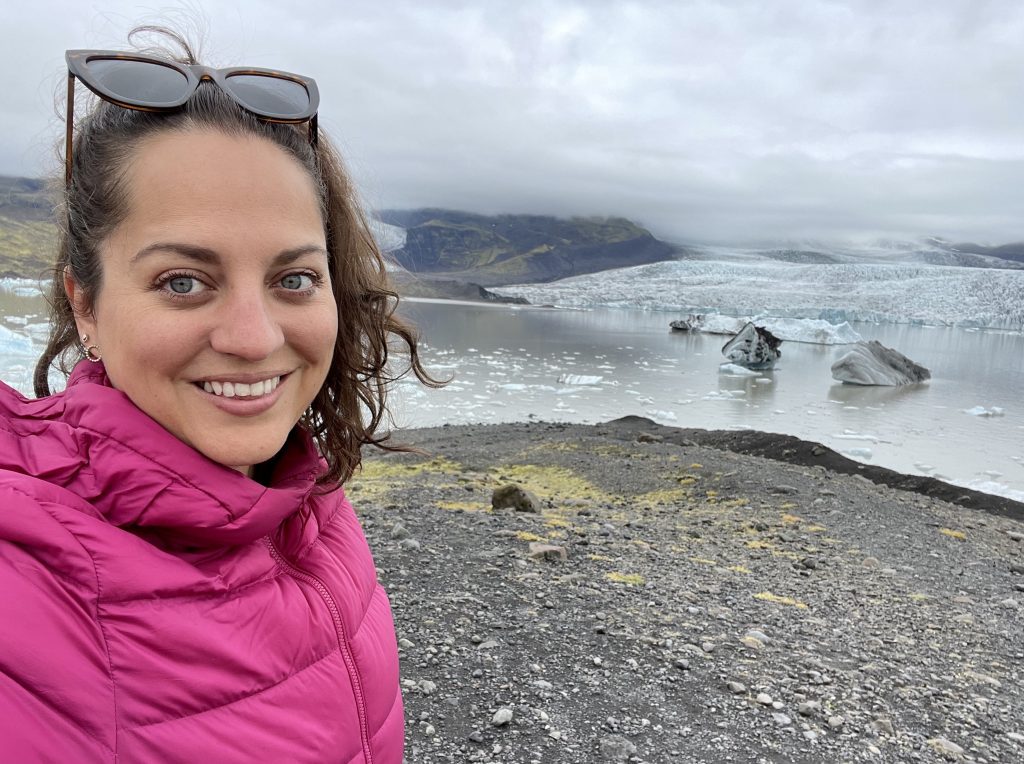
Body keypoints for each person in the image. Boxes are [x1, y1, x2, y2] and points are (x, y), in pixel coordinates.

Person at [0, 29, 436, 763]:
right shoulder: (31, 570)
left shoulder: (309, 499)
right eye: (182, 281)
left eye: (292, 278)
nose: (253, 337)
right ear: (86, 306)